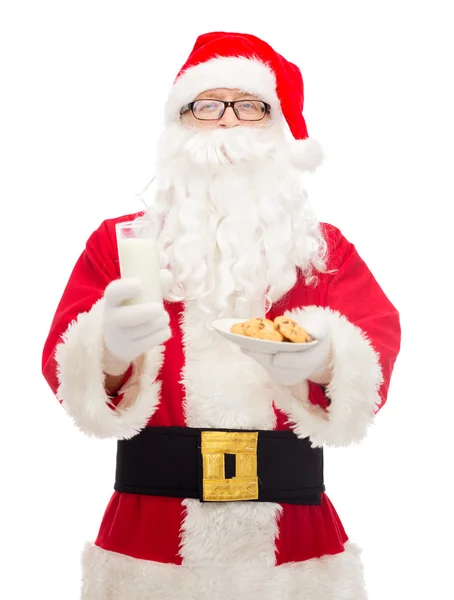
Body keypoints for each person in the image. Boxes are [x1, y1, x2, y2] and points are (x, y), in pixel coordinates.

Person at [42, 31, 401, 600]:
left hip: (294, 548)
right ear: (177, 126)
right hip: (149, 543)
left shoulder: (323, 252)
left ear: (278, 131)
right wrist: (107, 349)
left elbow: (373, 359)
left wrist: (324, 356)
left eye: (250, 106)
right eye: (207, 106)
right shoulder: (118, 243)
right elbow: (68, 371)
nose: (228, 122)